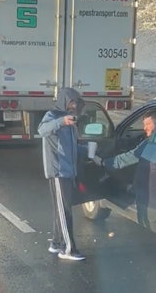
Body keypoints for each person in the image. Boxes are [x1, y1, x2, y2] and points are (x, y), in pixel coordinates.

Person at [37, 87, 87, 261]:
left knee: (61, 209)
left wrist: (89, 151)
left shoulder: (71, 122)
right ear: (65, 100)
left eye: (76, 103)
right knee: (65, 210)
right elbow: (42, 130)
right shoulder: (53, 115)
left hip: (67, 171)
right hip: (58, 171)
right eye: (72, 102)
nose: (74, 106)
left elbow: (71, 147)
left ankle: (57, 242)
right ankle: (68, 248)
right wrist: (61, 121)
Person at [93, 108, 156, 172]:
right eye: (144, 125)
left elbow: (132, 156)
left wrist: (104, 163)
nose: (145, 128)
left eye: (148, 124)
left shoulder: (153, 143)